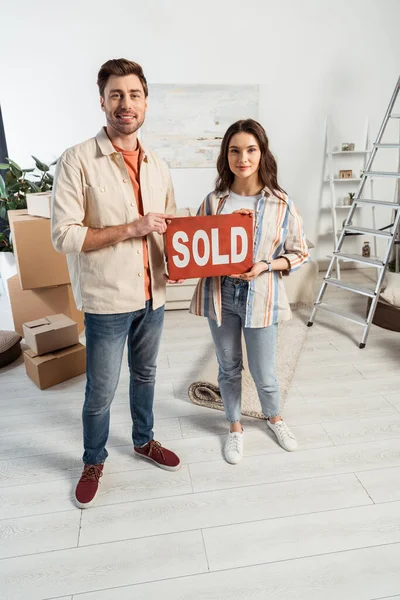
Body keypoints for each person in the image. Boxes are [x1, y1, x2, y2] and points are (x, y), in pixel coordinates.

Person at [52, 58, 182, 508]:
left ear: (145, 101)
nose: (126, 104)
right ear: (103, 101)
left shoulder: (159, 165)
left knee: (145, 375)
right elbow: (63, 235)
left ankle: (144, 440)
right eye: (116, 95)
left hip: (155, 295)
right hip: (108, 299)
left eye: (134, 95)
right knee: (101, 390)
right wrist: (131, 228)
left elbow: (171, 227)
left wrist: (196, 256)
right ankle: (93, 458)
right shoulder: (76, 161)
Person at [190, 119, 309, 464]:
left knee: (264, 371)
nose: (243, 158)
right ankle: (235, 427)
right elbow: (198, 249)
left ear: (262, 153)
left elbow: (299, 251)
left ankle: (275, 418)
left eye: (251, 150)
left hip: (261, 292)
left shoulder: (280, 202)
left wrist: (266, 266)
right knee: (227, 367)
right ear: (226, 156)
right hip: (220, 293)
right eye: (235, 150)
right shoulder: (213, 202)